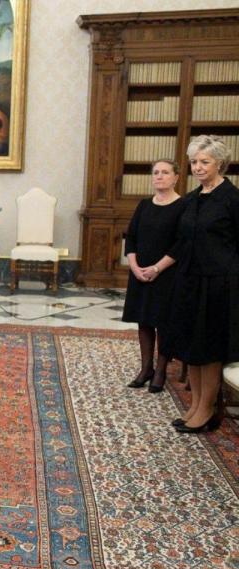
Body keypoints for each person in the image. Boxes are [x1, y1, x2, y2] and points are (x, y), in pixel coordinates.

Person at [165, 135, 237, 433]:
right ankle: (194, 405)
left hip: (218, 285)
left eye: (204, 162)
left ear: (219, 163)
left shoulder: (232, 198)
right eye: (194, 161)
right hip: (189, 282)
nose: (197, 167)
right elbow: (183, 241)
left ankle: (206, 410)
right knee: (191, 348)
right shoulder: (192, 198)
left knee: (209, 350)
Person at [122, 159, 184, 393]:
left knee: (164, 323)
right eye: (156, 172)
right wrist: (135, 267)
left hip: (167, 273)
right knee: (144, 320)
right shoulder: (144, 205)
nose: (159, 176)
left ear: (176, 177)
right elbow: (131, 237)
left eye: (165, 172)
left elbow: (181, 244)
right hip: (140, 273)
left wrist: (157, 268)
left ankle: (160, 371)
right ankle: (146, 368)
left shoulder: (183, 206)